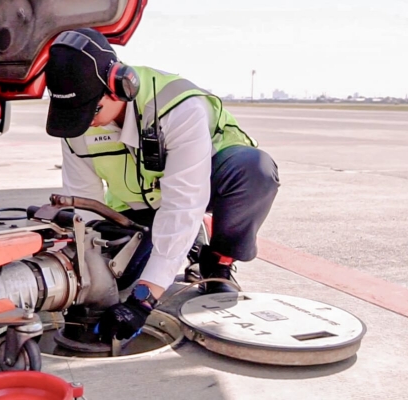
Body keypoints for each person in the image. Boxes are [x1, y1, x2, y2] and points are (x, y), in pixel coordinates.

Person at [42, 28, 280, 341]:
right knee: (115, 279)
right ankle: (186, 237)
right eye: (74, 113)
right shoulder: (77, 126)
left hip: (209, 181)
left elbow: (184, 201)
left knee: (253, 170)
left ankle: (217, 261)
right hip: (137, 207)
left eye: (91, 110)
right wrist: (83, 273)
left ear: (119, 86)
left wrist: (145, 298)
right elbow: (83, 204)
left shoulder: (176, 107)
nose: (85, 122)